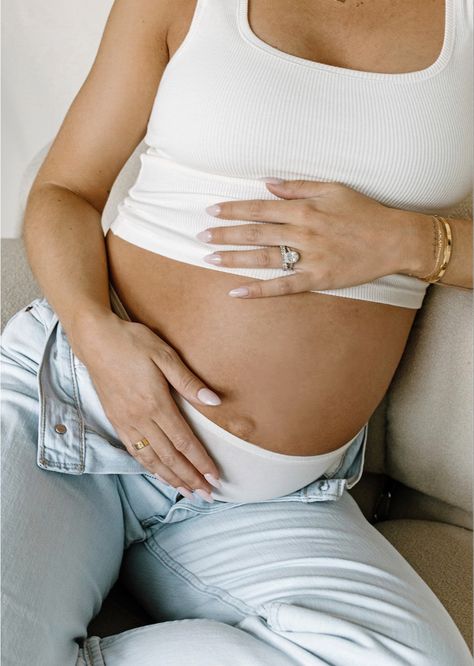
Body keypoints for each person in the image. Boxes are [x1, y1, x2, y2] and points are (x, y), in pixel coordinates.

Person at [2, 0, 472, 663]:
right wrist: (94, 334)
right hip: (80, 406)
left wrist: (415, 242)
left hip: (265, 502)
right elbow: (64, 192)